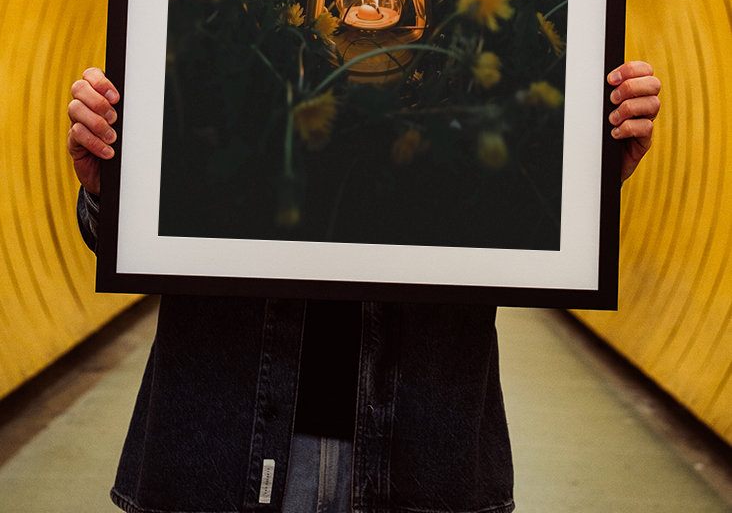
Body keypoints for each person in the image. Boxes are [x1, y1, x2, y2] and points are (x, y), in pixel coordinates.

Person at [68, 61, 661, 513]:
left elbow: (514, 220)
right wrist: (110, 189)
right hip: (220, 447)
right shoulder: (223, 70)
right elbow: (134, 236)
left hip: (422, 455)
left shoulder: (469, 94)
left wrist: (585, 181)